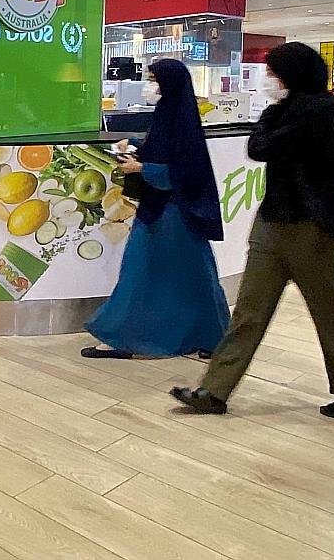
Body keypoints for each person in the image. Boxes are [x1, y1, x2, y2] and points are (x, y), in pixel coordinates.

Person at [170, 43, 334, 419]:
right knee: (249, 311)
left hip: (313, 227)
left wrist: (272, 120)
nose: (268, 80)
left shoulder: (322, 109)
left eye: (273, 73)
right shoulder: (281, 111)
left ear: (292, 75)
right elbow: (258, 146)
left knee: (330, 313)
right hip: (273, 222)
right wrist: (272, 118)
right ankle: (213, 391)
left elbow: (264, 145)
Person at [81, 58, 229, 359]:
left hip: (168, 212)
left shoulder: (178, 117)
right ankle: (211, 338)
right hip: (175, 212)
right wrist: (135, 143)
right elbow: (166, 147)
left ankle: (125, 338)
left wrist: (142, 167)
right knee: (193, 276)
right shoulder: (174, 112)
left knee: (141, 272)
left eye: (154, 80)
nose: (150, 87)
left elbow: (184, 168)